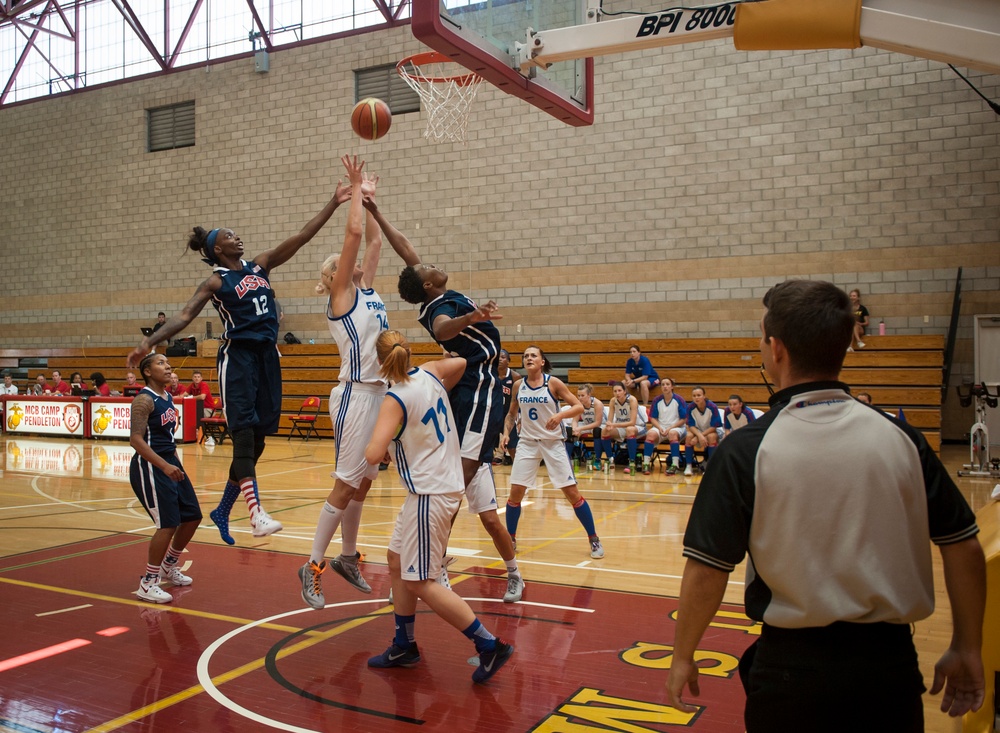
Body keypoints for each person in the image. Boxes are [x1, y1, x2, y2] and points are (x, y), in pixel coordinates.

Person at [665, 279, 986, 731]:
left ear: (776, 349)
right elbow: (964, 546)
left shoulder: (745, 450)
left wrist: (683, 655)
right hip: (889, 670)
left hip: (792, 672)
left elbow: (707, 569)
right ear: (843, 346)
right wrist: (968, 647)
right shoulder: (902, 438)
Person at [128, 162, 356, 544]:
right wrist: (149, 342)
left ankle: (223, 508)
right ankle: (255, 513)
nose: (239, 238)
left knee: (261, 439)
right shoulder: (217, 280)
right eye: (231, 236)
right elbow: (185, 315)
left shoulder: (260, 265)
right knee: (245, 437)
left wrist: (334, 202)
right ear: (218, 247)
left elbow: (300, 238)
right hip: (239, 357)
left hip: (269, 356)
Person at [364, 197, 523, 604]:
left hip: (472, 391)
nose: (429, 262)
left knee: (484, 510)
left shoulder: (431, 289)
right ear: (430, 285)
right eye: (428, 268)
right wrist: (472, 318)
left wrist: (378, 212)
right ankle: (430, 567)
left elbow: (407, 253)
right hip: (477, 390)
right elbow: (444, 327)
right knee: (455, 483)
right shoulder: (438, 307)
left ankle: (468, 567)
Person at [364, 330, 514, 684]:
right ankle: (404, 644)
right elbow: (462, 361)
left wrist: (383, 441)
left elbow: (372, 453)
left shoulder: (395, 397)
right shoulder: (431, 372)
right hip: (438, 486)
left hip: (430, 492)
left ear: (380, 362)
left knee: (422, 582)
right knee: (397, 560)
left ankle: (489, 645)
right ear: (408, 353)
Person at [297, 157, 387, 608]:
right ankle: (312, 565)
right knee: (345, 483)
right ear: (331, 278)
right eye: (336, 263)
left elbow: (371, 240)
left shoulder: (367, 289)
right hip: (354, 394)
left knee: (364, 483)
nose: (346, 261)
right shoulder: (342, 297)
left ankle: (347, 557)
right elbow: (352, 237)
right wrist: (352, 189)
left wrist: (369, 200)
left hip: (380, 394)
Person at [502, 346, 604, 560]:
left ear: (541, 362)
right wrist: (505, 434)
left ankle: (593, 538)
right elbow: (511, 415)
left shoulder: (553, 383)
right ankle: (510, 538)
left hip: (552, 442)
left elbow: (578, 407)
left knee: (572, 494)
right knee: (515, 493)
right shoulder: (518, 385)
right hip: (528, 443)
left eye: (533, 355)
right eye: (526, 356)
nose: (529, 358)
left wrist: (559, 416)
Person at [128, 353, 202, 604]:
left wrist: (172, 463)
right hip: (151, 465)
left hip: (170, 461)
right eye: (161, 363)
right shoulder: (143, 400)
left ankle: (168, 565)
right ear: (147, 371)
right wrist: (163, 466)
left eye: (168, 362)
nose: (168, 366)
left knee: (192, 515)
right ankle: (148, 583)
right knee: (167, 524)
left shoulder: (168, 397)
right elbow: (136, 440)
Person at [597, 382, 646, 474]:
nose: (617, 393)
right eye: (615, 391)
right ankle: (610, 460)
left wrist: (613, 425)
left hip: (638, 426)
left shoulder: (632, 400)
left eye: (619, 390)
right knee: (605, 431)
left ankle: (632, 461)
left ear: (624, 391)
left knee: (629, 429)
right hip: (622, 426)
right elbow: (610, 420)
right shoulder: (613, 401)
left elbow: (632, 422)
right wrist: (609, 424)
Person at [642, 377, 687, 475]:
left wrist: (670, 427)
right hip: (661, 427)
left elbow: (684, 419)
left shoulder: (679, 400)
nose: (665, 386)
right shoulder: (657, 400)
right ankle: (646, 464)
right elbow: (653, 418)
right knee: (650, 434)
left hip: (676, 427)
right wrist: (659, 428)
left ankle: (675, 465)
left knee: (672, 433)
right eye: (663, 384)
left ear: (672, 387)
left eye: (667, 384)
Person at [683, 386, 722, 476]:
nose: (696, 397)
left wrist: (699, 436)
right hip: (697, 431)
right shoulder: (690, 408)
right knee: (688, 436)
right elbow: (691, 426)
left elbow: (714, 426)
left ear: (704, 396)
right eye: (694, 396)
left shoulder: (712, 407)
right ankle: (688, 466)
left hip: (710, 430)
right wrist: (699, 436)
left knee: (711, 437)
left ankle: (710, 466)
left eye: (699, 395)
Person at [493, 349, 520, 465]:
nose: (500, 359)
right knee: (488, 444)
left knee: (512, 446)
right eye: (498, 357)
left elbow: (520, 398)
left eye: (503, 357)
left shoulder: (515, 376)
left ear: (508, 361)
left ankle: (518, 467)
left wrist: (520, 418)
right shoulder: (490, 374)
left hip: (508, 414)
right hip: (492, 414)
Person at [570, 384, 604, 468]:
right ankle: (571, 458)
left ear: (589, 395)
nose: (580, 398)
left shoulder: (597, 404)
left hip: (601, 425)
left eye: (582, 395)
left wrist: (580, 428)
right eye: (578, 395)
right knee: (571, 431)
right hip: (586, 425)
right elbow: (575, 420)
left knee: (596, 430)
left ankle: (598, 460)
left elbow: (597, 423)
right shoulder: (578, 404)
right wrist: (575, 428)